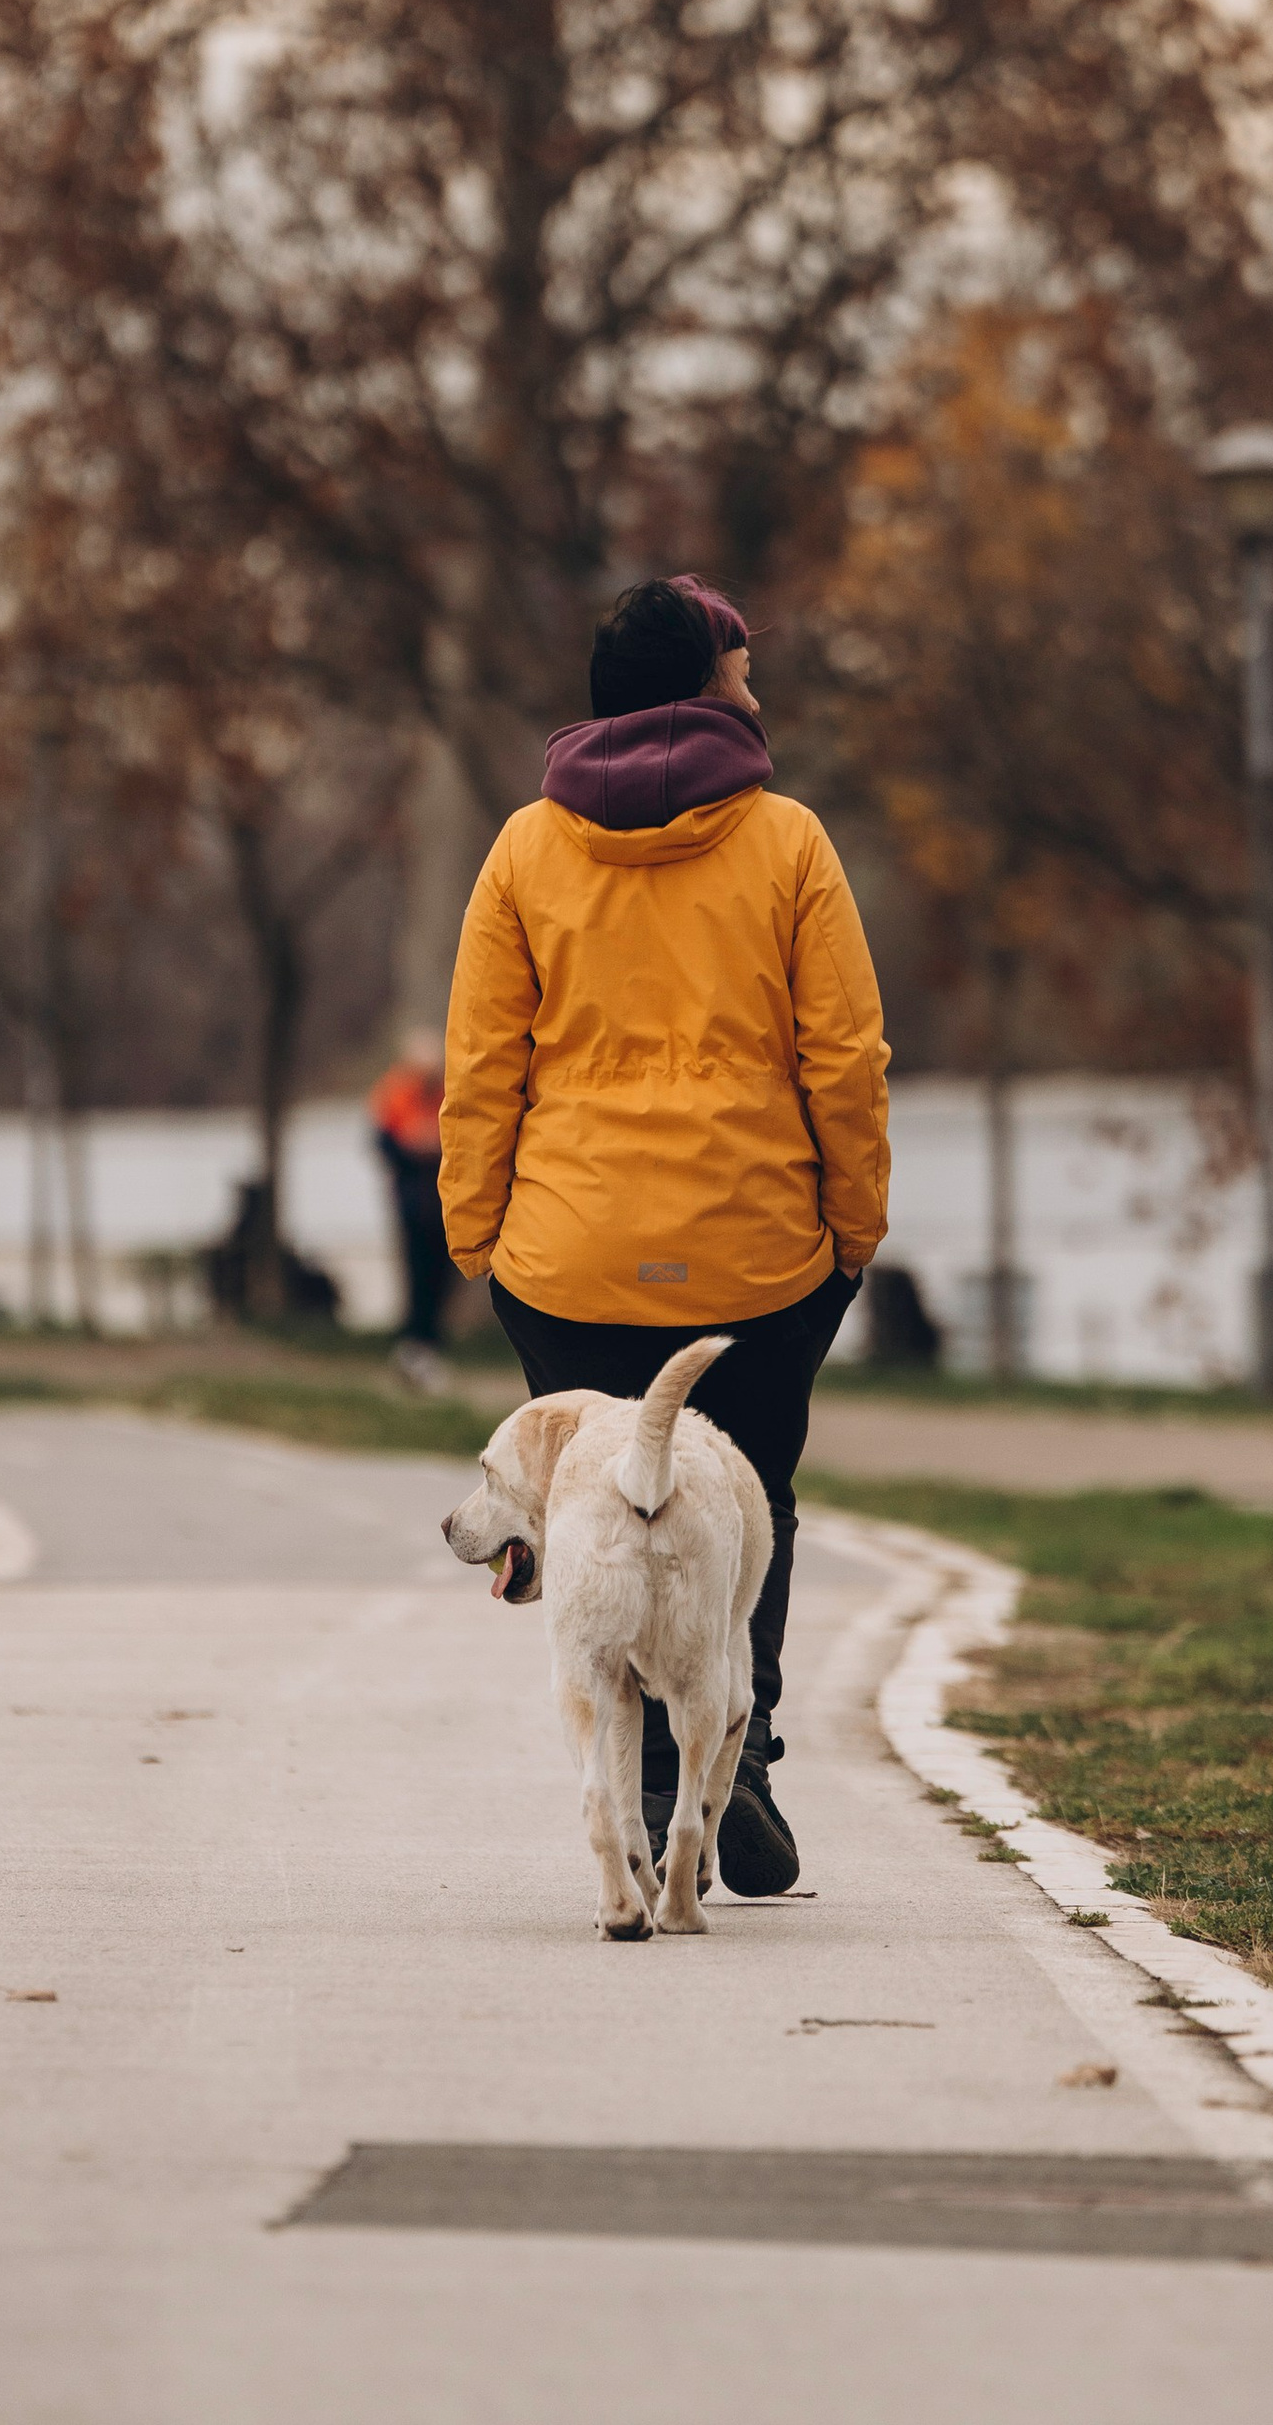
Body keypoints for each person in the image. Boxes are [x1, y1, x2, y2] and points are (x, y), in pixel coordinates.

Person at [439, 574, 890, 1897]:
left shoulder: (525, 849)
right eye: (743, 673)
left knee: (601, 1503)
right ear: (703, 690)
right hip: (759, 1254)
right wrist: (853, 1223)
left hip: (566, 1255)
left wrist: (477, 1230)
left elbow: (483, 1062)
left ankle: (642, 1774)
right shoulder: (789, 841)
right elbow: (846, 1059)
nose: (758, 695)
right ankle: (732, 1754)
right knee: (748, 1508)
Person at [368, 1028, 452, 1395]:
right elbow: (383, 1144)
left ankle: (427, 1345)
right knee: (416, 1274)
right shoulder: (395, 1091)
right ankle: (414, 1347)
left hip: (444, 1202)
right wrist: (415, 1146)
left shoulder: (448, 1091)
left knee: (441, 1277)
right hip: (412, 1200)